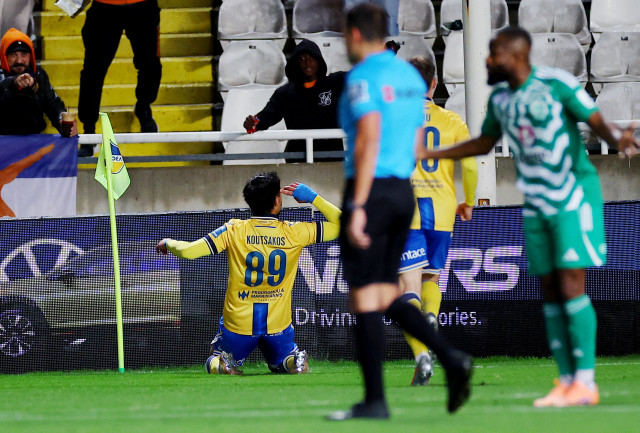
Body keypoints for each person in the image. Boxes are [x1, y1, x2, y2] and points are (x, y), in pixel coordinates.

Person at [420, 26, 640, 408]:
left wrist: (617, 137)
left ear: (517, 55)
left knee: (571, 286)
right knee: (550, 292)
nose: (487, 60)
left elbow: (594, 119)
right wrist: (433, 155)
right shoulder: (501, 98)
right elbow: (484, 143)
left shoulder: (556, 84)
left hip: (572, 197)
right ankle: (567, 382)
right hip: (536, 203)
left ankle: (585, 382)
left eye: (494, 53)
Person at [330, 3, 472, 421]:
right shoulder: (410, 79)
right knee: (386, 293)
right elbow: (414, 142)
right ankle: (451, 358)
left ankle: (375, 401)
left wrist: (358, 204)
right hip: (401, 192)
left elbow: (368, 136)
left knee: (365, 297)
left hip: (371, 189)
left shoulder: (363, 77)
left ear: (356, 35)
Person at [156, 173, 341, 375]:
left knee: (214, 357)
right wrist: (314, 198)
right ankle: (292, 361)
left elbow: (189, 251)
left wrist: (168, 243)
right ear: (277, 201)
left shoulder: (234, 230)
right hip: (277, 325)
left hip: (239, 325)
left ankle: (222, 363)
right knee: (283, 358)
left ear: (249, 201)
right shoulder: (295, 232)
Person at [398, 56, 478, 386]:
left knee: (405, 289)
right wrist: (469, 201)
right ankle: (430, 316)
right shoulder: (453, 120)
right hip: (442, 211)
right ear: (434, 83)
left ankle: (421, 356)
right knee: (431, 278)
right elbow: (470, 165)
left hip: (407, 210)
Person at [74, 0, 162, 156]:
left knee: (151, 64)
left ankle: (143, 107)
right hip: (104, 7)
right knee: (92, 72)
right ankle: (89, 132)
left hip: (142, 6)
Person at [243, 39, 345, 163]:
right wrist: (253, 123)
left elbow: (362, 76)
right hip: (298, 159)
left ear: (319, 61)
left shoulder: (335, 82)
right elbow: (265, 117)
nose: (307, 62)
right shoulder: (285, 93)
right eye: (302, 59)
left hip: (332, 158)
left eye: (312, 58)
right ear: (295, 63)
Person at [0, 28, 77, 137]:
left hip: (34, 142)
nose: (19, 60)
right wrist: (14, 83)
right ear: (4, 57)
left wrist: (62, 122)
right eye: (13, 55)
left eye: (24, 54)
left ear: (31, 56)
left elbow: (54, 104)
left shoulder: (39, 75)